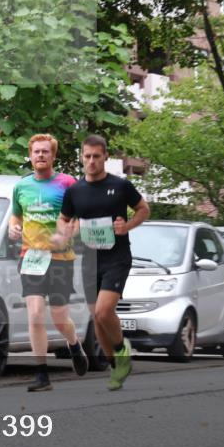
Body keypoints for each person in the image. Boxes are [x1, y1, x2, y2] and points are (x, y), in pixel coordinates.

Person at [58, 135, 149, 390]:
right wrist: (68, 230)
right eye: (87, 156)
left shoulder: (120, 186)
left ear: (105, 157)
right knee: (96, 319)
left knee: (103, 310)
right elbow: (63, 220)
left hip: (117, 258)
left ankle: (121, 350)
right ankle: (115, 365)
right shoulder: (75, 190)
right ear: (81, 157)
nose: (91, 161)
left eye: (96, 156)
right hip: (89, 259)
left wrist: (127, 225)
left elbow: (144, 209)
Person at [9, 134, 88, 392]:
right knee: (34, 313)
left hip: (60, 259)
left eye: (45, 151)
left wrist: (66, 233)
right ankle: (41, 374)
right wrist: (14, 229)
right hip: (31, 257)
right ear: (30, 156)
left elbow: (80, 220)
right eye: (36, 152)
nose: (40, 155)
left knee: (59, 317)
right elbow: (15, 217)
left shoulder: (67, 183)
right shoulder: (22, 187)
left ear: (53, 156)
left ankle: (74, 343)